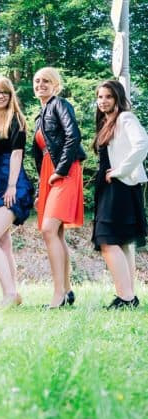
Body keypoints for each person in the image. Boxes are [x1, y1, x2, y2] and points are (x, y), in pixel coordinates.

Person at [0, 77, 34, 307]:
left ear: (11, 96)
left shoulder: (16, 120)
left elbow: (16, 155)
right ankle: (13, 294)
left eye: (4, 92)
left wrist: (11, 185)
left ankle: (10, 294)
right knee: (2, 241)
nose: (0, 95)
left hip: (13, 183)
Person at [32, 67, 85, 308]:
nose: (40, 85)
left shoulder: (59, 104)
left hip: (64, 170)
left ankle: (58, 294)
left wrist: (60, 171)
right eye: (37, 81)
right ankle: (67, 290)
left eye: (46, 81)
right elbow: (40, 155)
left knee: (48, 229)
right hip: (48, 173)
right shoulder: (39, 115)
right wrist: (38, 189)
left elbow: (73, 137)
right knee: (57, 232)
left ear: (55, 85)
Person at [91, 80, 147, 309]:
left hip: (121, 185)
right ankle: (127, 295)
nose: (103, 101)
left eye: (108, 97)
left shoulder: (125, 118)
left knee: (107, 239)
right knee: (121, 241)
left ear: (118, 98)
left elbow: (143, 143)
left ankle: (126, 297)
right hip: (110, 186)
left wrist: (120, 170)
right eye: (100, 97)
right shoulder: (107, 122)